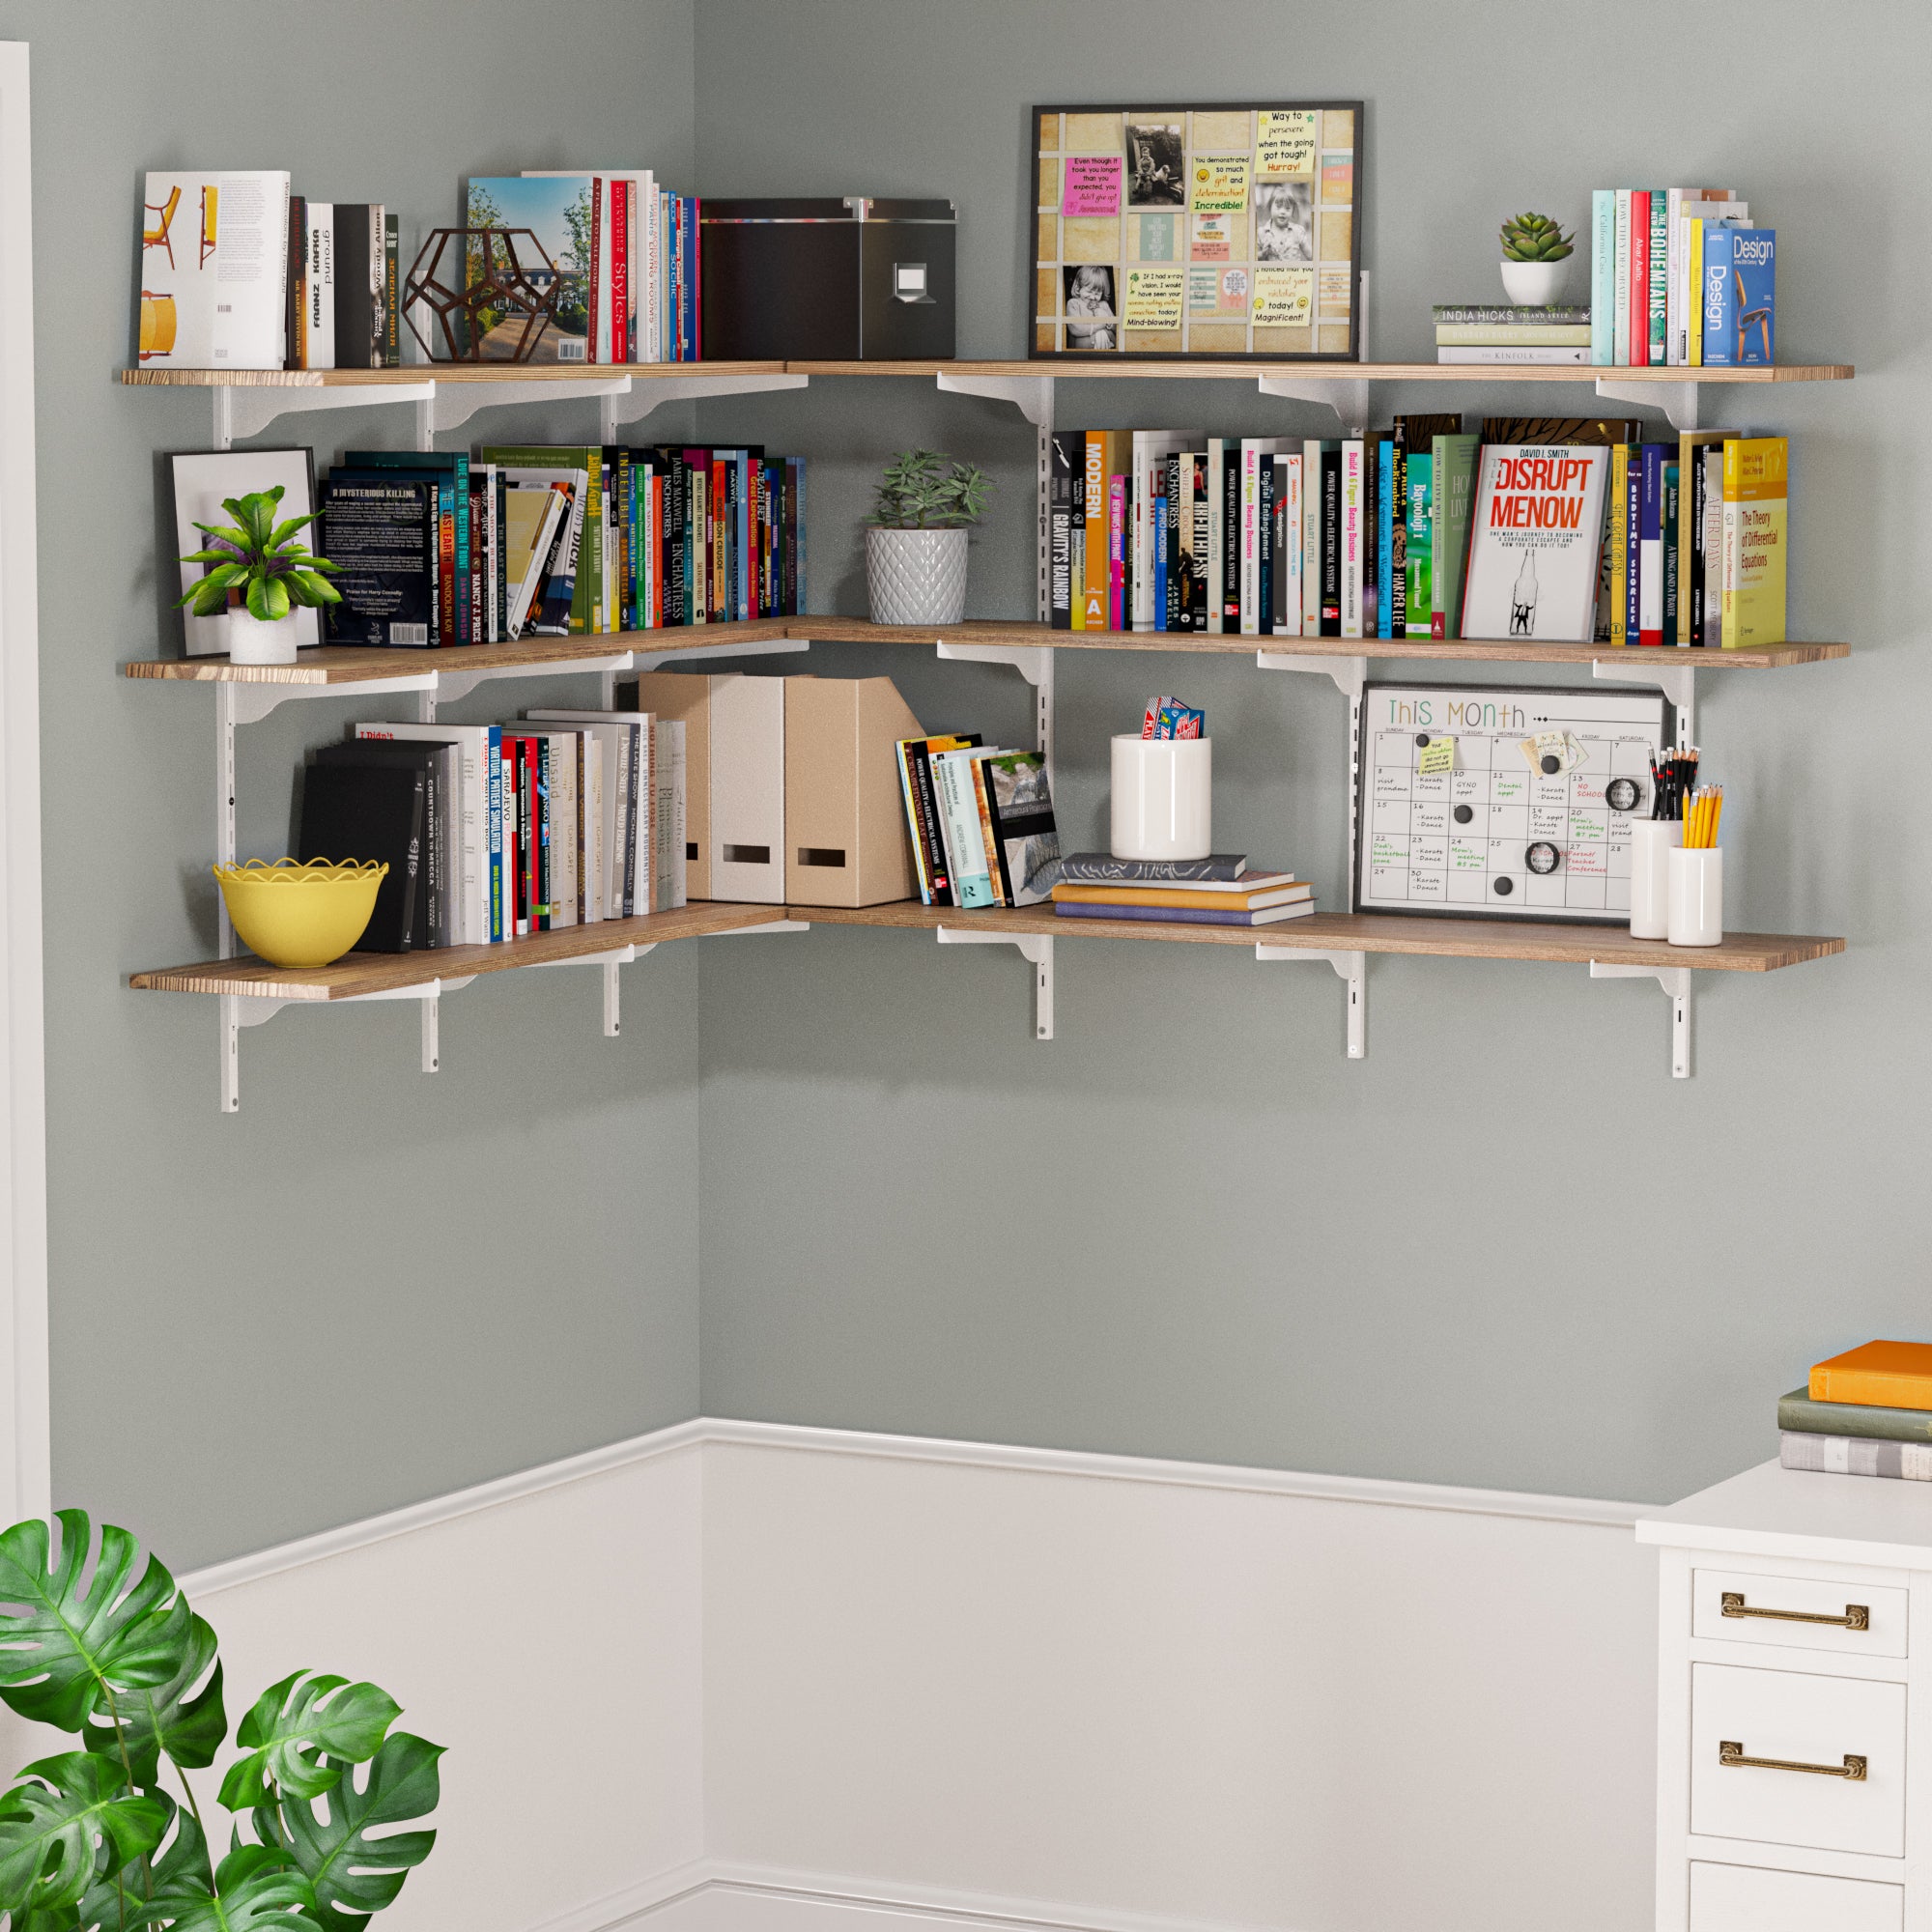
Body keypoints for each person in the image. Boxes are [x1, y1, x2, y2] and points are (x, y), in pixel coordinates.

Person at [1065, 265, 1116, 350]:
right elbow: (1075, 329)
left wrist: (1108, 320)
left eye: (1097, 293)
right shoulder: (1074, 303)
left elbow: (1117, 329)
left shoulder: (1104, 305)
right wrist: (1100, 326)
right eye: (1089, 292)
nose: (1093, 297)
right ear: (1078, 288)